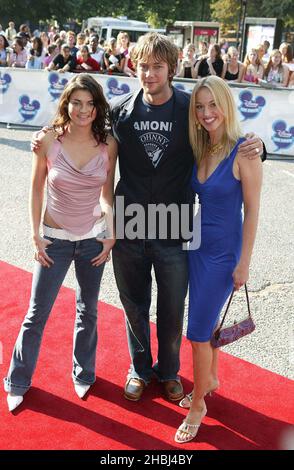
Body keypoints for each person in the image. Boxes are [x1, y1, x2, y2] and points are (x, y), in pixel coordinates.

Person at [110, 33, 265, 403]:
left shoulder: (190, 109)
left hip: (175, 227)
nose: (149, 73)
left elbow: (223, 139)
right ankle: (139, 369)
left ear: (171, 68)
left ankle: (168, 372)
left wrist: (261, 147)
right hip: (128, 222)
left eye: (157, 66)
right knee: (133, 304)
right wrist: (47, 135)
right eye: (143, 65)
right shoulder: (119, 109)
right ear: (134, 65)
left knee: (172, 306)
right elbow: (82, 131)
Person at [3, 74, 117, 412]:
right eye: (77, 102)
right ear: (66, 104)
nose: (83, 110)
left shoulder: (109, 144)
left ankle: (84, 372)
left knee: (89, 310)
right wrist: (35, 233)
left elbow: (107, 194)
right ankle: (18, 381)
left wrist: (111, 233)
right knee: (36, 314)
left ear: (98, 107)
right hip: (54, 240)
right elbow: (35, 188)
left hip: (93, 240)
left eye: (90, 104)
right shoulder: (48, 139)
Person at [174, 76, 262, 444]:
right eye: (200, 106)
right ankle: (209, 379)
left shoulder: (245, 151)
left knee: (195, 332)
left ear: (226, 106)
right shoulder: (203, 147)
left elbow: (254, 212)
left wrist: (244, 262)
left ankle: (199, 403)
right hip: (197, 247)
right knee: (205, 322)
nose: (206, 112)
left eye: (213, 105)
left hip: (223, 255)